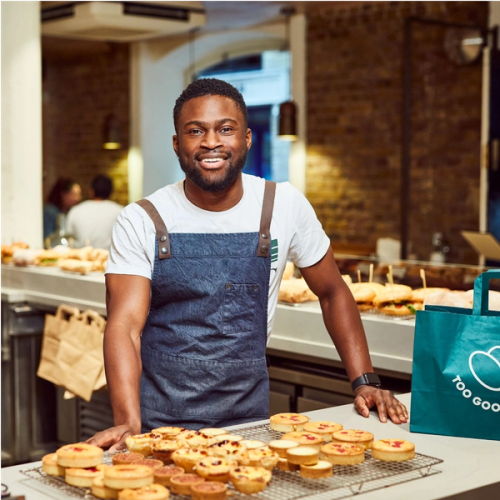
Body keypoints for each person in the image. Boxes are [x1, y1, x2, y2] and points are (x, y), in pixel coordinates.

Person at [88, 78, 407, 451]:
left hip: (251, 424)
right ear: (177, 143)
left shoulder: (282, 204)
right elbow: (124, 325)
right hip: (161, 425)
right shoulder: (142, 218)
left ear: (247, 138)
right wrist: (127, 419)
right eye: (195, 131)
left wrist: (365, 380)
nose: (211, 142)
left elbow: (333, 291)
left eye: (226, 129)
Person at [66, 175, 123, 250]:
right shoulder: (121, 212)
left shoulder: (75, 210)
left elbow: (68, 238)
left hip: (81, 259)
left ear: (91, 192)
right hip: (110, 259)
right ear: (111, 193)